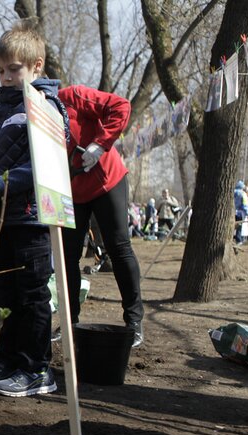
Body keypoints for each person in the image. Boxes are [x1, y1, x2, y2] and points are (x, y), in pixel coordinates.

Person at [0, 22, 69, 397]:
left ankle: (38, 369)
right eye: (0, 70)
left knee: (31, 294)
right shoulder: (0, 112)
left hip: (29, 216)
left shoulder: (44, 106)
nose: (6, 77)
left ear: (36, 66)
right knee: (7, 293)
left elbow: (44, 162)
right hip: (3, 218)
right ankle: (8, 361)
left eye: (14, 69)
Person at [58, 85, 144, 347]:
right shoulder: (28, 116)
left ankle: (134, 323)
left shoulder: (69, 97)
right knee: (67, 256)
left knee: (118, 247)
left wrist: (100, 143)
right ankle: (69, 323)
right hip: (70, 192)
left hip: (106, 180)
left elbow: (120, 106)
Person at [234, 180, 248, 245]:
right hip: (239, 213)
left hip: (232, 213)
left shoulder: (232, 192)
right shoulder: (243, 194)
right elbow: (245, 205)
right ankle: (238, 240)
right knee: (239, 227)